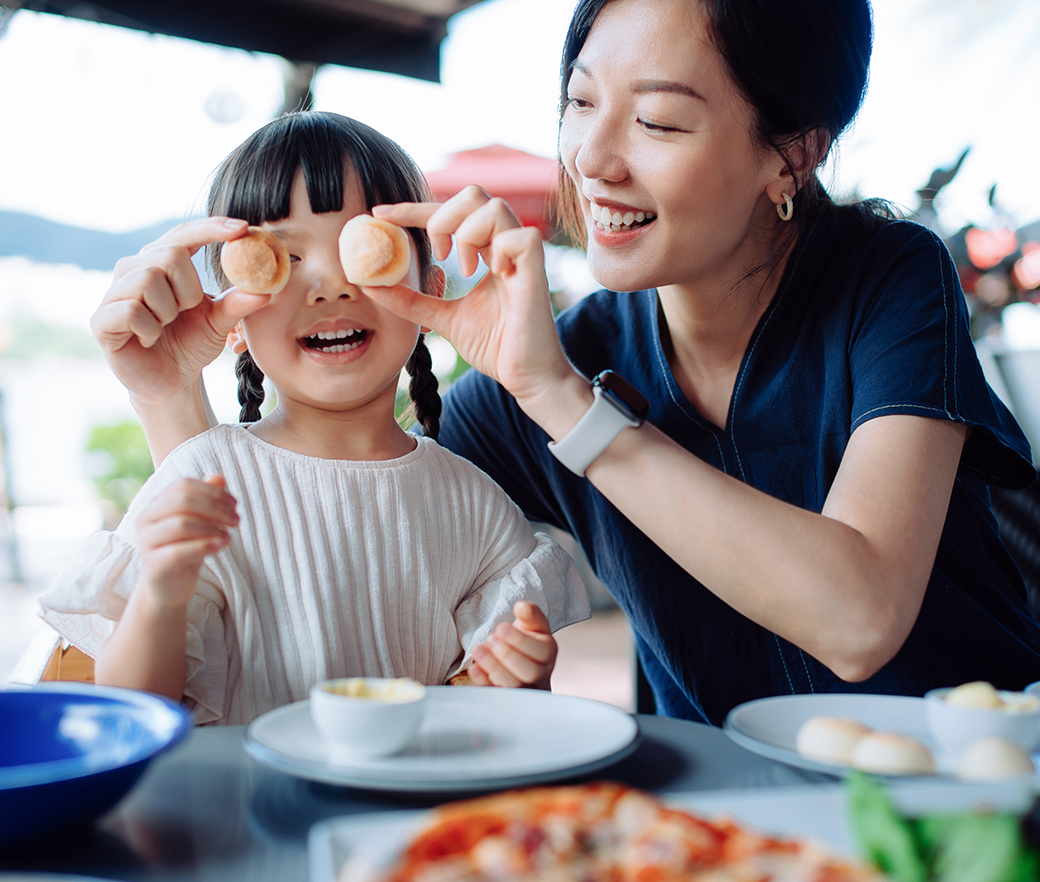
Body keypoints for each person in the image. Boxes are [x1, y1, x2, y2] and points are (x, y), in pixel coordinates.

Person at [87, 0, 1040, 728]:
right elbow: (326, 532)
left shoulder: (888, 278)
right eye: (581, 102)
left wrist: (562, 401)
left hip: (965, 787)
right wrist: (173, 401)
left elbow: (859, 616)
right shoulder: (561, 359)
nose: (593, 159)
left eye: (659, 123)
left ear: (790, 155)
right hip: (717, 840)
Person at [38, 112, 589, 725]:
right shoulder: (201, 475)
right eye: (285, 257)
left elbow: (504, 712)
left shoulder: (471, 501)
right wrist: (160, 596)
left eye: (362, 249)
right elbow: (133, 710)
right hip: (243, 814)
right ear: (235, 321)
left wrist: (523, 675)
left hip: (397, 816)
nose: (328, 284)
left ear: (431, 290)